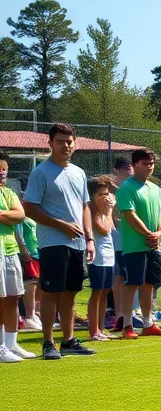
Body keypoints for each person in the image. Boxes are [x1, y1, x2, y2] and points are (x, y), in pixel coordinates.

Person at [21, 123, 95, 359]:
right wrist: (61, 225)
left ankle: (68, 341)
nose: (66, 145)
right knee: (52, 292)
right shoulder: (41, 172)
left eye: (69, 141)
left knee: (71, 292)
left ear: (75, 143)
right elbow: (29, 208)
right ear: (50, 143)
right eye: (61, 141)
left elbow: (84, 206)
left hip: (78, 243)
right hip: (53, 242)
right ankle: (48, 343)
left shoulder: (79, 172)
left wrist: (90, 238)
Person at [116, 149, 161, 339]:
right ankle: (127, 326)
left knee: (149, 285)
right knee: (132, 284)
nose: (149, 167)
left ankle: (148, 324)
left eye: (152, 163)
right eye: (145, 163)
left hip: (154, 246)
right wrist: (148, 234)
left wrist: (158, 233)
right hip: (134, 246)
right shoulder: (126, 188)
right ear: (134, 165)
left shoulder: (155, 189)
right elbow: (129, 215)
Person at [0, 154, 33, 362]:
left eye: (5, 168)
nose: (2, 172)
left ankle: (11, 344)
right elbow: (13, 215)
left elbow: (20, 215)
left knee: (13, 296)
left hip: (11, 249)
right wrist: (8, 214)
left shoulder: (9, 192)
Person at [86, 177, 117, 342]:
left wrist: (108, 211)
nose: (106, 198)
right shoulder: (91, 210)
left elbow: (111, 226)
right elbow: (103, 229)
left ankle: (101, 328)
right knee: (97, 292)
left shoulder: (103, 210)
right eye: (101, 194)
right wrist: (108, 211)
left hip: (108, 254)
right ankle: (93, 331)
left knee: (105, 291)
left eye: (107, 194)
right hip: (97, 256)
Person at [109, 156, 132, 331]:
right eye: (125, 167)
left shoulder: (132, 187)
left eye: (130, 166)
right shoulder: (109, 189)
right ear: (117, 170)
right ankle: (119, 315)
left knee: (127, 278)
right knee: (118, 278)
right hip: (113, 239)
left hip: (129, 238)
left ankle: (128, 313)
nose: (129, 169)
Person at [16, 215, 40, 333]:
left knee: (35, 284)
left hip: (36, 252)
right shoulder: (21, 217)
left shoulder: (33, 217)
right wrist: (23, 250)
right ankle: (28, 317)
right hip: (27, 253)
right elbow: (18, 233)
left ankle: (33, 315)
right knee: (29, 284)